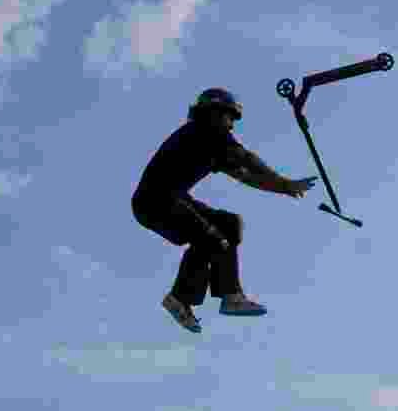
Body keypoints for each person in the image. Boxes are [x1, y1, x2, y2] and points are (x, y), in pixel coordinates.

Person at [131, 87, 317, 333]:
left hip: (171, 199)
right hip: (155, 200)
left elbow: (245, 176)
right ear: (213, 113)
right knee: (213, 240)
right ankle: (184, 298)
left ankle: (228, 296)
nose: (232, 126)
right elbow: (248, 160)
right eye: (230, 118)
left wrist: (284, 189)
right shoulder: (203, 132)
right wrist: (284, 182)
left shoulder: (214, 144)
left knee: (229, 224)